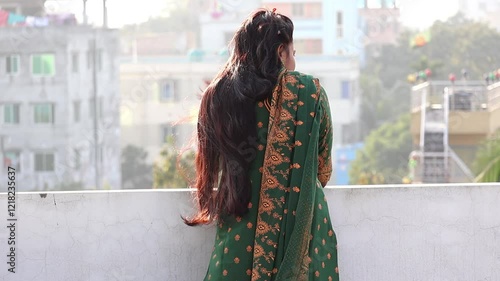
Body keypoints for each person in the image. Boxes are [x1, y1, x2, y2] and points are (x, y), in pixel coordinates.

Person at [185, 8, 339, 281]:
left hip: (237, 241)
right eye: (293, 52)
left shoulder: (219, 96)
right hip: (301, 238)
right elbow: (323, 171)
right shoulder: (309, 91)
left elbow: (211, 171)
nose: (294, 60)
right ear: (281, 52)